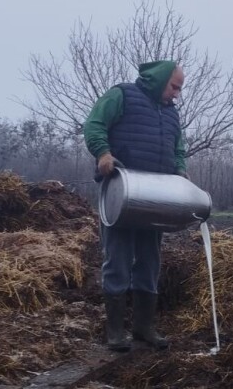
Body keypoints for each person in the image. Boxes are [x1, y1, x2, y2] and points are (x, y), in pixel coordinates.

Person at [83, 60, 186, 352]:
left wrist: (180, 168)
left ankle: (144, 328)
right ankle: (115, 332)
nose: (177, 94)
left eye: (179, 88)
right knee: (117, 259)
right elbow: (94, 124)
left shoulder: (170, 113)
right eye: (174, 86)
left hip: (156, 196)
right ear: (160, 80)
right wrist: (103, 153)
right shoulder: (122, 95)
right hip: (120, 190)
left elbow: (180, 146)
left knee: (149, 261)